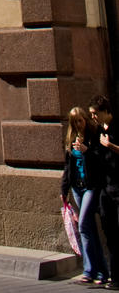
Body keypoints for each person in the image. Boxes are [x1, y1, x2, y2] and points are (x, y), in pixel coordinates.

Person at [61, 105, 107, 285]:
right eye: (75, 122)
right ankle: (101, 272)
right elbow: (67, 167)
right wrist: (63, 190)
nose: (78, 124)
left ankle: (88, 270)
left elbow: (101, 159)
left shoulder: (93, 137)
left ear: (85, 120)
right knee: (90, 230)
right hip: (77, 187)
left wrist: (87, 151)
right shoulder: (71, 139)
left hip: (91, 186)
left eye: (80, 120)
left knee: (84, 225)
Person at [90, 96, 119, 289]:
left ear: (105, 111)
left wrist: (111, 146)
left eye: (95, 113)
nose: (93, 117)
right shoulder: (99, 131)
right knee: (110, 235)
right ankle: (115, 277)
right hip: (106, 191)